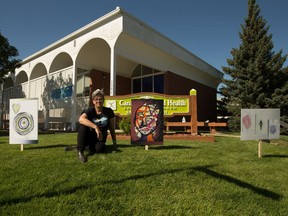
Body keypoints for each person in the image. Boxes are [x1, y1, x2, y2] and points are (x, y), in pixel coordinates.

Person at [77, 89, 117, 163]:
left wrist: (114, 141)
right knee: (83, 125)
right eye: (96, 99)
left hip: (100, 138)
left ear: (103, 100)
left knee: (100, 148)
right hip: (89, 136)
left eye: (100, 99)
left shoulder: (108, 111)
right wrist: (96, 127)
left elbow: (111, 128)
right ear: (93, 101)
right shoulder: (90, 110)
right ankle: (80, 151)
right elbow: (81, 119)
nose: (98, 101)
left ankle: (86, 147)